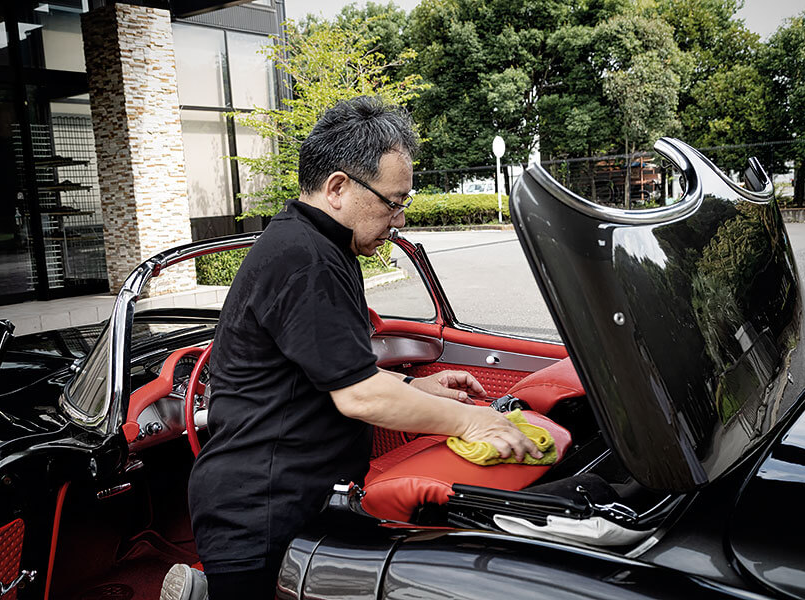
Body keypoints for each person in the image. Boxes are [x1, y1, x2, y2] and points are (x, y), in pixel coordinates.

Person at [163, 96, 541, 600]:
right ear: (338, 187)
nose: (400, 218)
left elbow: (336, 372)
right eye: (394, 201)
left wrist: (415, 385)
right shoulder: (306, 259)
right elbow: (358, 395)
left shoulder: (319, 246)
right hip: (260, 512)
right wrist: (476, 422)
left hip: (290, 498)